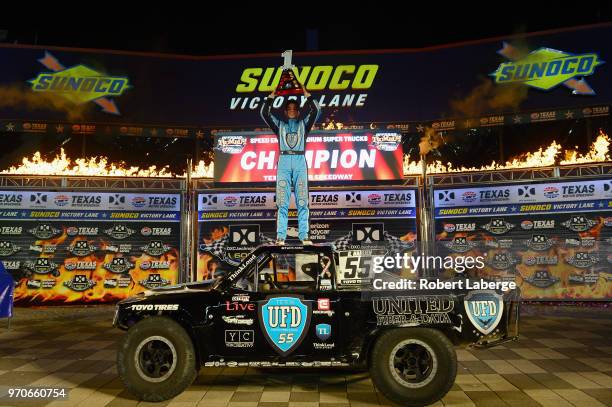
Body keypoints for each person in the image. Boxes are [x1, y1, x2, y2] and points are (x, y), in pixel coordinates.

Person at [260, 88, 320, 245]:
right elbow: (264, 113)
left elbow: (316, 110)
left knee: (302, 201)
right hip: (284, 162)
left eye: (295, 109)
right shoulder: (279, 125)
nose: (292, 111)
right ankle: (281, 237)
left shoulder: (304, 124)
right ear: (285, 112)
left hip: (300, 161)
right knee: (282, 202)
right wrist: (272, 96)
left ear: (298, 112)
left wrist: (306, 93)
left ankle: (304, 236)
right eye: (289, 109)